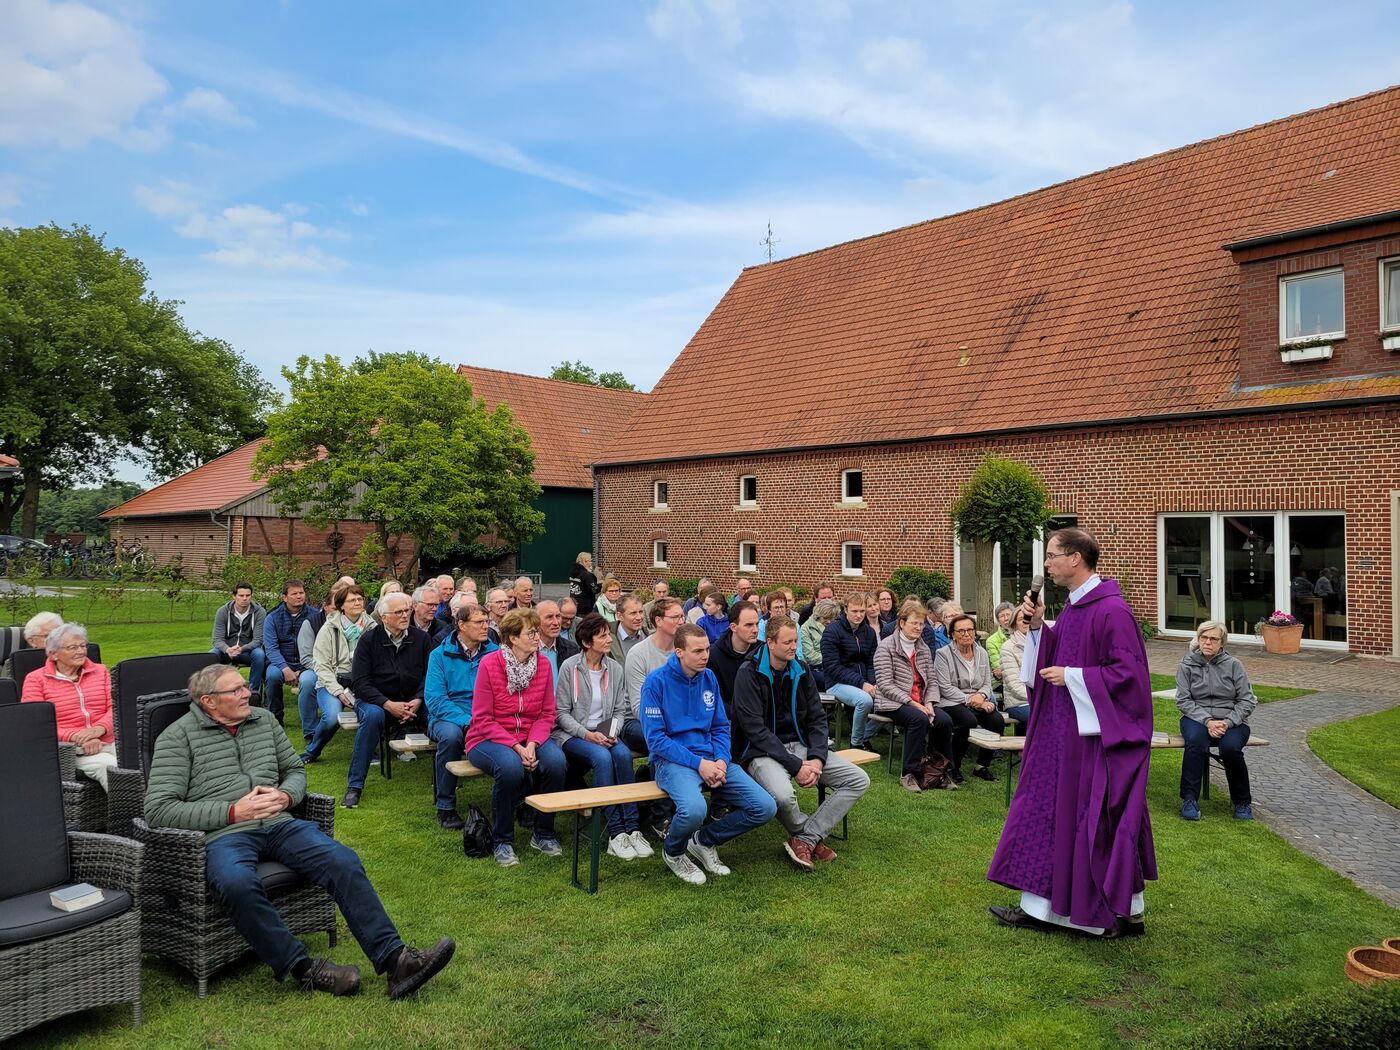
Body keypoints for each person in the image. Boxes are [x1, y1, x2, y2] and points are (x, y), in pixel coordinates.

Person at [144, 663, 455, 998]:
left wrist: (286, 795)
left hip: (279, 824)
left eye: (245, 686)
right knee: (235, 883)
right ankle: (304, 968)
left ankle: (397, 962)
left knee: (343, 860)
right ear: (209, 702)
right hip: (223, 835)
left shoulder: (263, 720)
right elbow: (159, 809)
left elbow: (294, 769)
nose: (248, 692)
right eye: (235, 690)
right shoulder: (177, 738)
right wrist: (232, 812)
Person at [988, 527, 1157, 939]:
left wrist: (1074, 676)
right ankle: (1044, 907)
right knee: (1051, 815)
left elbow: (1130, 679)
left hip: (1090, 744)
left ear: (1076, 558)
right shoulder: (1077, 607)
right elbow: (1055, 657)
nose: (1046, 564)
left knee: (1089, 820)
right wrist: (1041, 625)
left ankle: (1096, 910)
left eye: (1051, 555)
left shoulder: (1111, 611)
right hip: (1061, 735)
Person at [642, 624, 777, 885]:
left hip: (712, 760)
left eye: (706, 649)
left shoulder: (709, 678)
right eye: (698, 651)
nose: (705, 655)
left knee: (765, 807)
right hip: (673, 762)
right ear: (679, 652)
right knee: (694, 810)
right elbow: (656, 740)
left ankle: (703, 841)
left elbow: (720, 726)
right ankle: (674, 851)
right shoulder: (656, 682)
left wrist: (721, 762)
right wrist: (699, 763)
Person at [732, 616, 869, 869]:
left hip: (802, 745)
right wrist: (796, 766)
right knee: (783, 797)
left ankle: (806, 838)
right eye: (787, 642)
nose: (794, 647)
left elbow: (817, 718)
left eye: (796, 640)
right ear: (770, 643)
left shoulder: (801, 669)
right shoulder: (748, 673)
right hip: (761, 751)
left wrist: (817, 757)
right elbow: (755, 730)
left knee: (859, 779)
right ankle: (810, 837)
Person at [464, 609, 567, 867]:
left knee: (556, 763)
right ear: (512, 638)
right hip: (487, 738)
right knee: (510, 768)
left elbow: (547, 713)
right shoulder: (490, 664)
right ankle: (503, 841)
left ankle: (543, 833)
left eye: (536, 632)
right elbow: (482, 718)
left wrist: (531, 744)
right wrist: (516, 748)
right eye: (530, 633)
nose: (536, 637)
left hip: (531, 737)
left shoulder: (543, 664)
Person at [553, 613, 652, 860]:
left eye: (609, 634)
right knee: (602, 758)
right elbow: (561, 713)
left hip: (605, 732)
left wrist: (611, 732)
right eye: (603, 635)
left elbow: (620, 709)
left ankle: (633, 827)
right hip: (573, 734)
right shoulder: (570, 667)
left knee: (621, 754)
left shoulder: (615, 668)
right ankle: (615, 832)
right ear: (587, 642)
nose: (609, 639)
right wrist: (587, 734)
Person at [342, 592, 431, 809]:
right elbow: (361, 683)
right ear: (384, 617)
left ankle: (451, 778)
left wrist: (418, 699)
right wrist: (388, 704)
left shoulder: (421, 639)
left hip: (414, 702)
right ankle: (355, 786)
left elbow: (431, 676)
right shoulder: (368, 640)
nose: (404, 615)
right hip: (376, 701)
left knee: (442, 716)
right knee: (372, 717)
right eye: (398, 612)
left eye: (407, 610)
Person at [1175, 621, 1258, 821]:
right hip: (1197, 718)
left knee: (1230, 749)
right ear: (1198, 639)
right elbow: (1183, 701)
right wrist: (1208, 721)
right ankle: (1189, 800)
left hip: (1232, 720)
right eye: (1204, 638)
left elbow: (1247, 700)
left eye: (1213, 639)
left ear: (1222, 643)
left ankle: (1242, 802)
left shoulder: (1234, 665)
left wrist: (1227, 722)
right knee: (1195, 742)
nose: (1208, 642)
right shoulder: (1186, 665)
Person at [425, 605, 496, 830]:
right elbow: (435, 699)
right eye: (479, 622)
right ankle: (445, 805)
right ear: (461, 625)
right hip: (447, 716)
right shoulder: (439, 655)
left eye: (486, 621)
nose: (486, 626)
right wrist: (468, 721)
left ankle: (521, 801)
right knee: (451, 736)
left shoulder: (495, 653)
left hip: (486, 715)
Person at [21, 622, 116, 789]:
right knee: (113, 769)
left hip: (110, 740)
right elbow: (36, 724)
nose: (81, 651)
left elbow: (116, 708)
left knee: (152, 760)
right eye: (73, 647)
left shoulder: (100, 671)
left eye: (82, 646)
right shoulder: (36, 679)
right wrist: (76, 737)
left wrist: (99, 729)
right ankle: (141, 813)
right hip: (70, 750)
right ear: (54, 654)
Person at [873, 602, 956, 793]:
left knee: (944, 720)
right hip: (893, 702)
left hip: (920, 701)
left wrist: (929, 703)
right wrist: (914, 704)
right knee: (918, 719)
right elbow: (885, 685)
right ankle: (909, 773)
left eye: (921, 624)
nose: (918, 628)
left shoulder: (923, 648)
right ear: (902, 623)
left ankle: (941, 771)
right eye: (914, 624)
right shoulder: (886, 647)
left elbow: (932, 681)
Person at [303, 584, 373, 764]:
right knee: (333, 716)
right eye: (352, 600)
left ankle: (369, 751)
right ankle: (313, 750)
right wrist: (339, 692)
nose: (357, 602)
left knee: (374, 712)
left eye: (360, 599)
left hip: (363, 682)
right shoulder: (328, 629)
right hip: (333, 682)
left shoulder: (373, 627)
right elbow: (321, 666)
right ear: (342, 605)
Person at [933, 614, 1004, 783]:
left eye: (970, 629)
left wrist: (981, 696)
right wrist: (971, 698)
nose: (967, 634)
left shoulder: (981, 652)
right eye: (961, 631)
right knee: (968, 721)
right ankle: (953, 766)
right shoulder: (943, 654)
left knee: (997, 721)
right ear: (952, 634)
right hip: (951, 700)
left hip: (978, 699)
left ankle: (981, 766)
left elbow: (987, 682)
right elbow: (944, 687)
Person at [622, 598, 684, 753]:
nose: (681, 621)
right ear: (659, 621)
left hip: (675, 718)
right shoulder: (639, 654)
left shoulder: (684, 652)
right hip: (636, 721)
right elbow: (638, 708)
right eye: (675, 617)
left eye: (682, 616)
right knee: (664, 739)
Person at [262, 579, 323, 729]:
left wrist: (302, 669)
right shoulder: (272, 618)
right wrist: (285, 669)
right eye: (294, 594)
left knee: (309, 682)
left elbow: (320, 645)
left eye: (301, 593)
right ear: (284, 597)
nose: (299, 596)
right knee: (272, 676)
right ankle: (276, 721)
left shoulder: (315, 616)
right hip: (280, 663)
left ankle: (310, 729)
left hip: (307, 664)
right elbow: (271, 648)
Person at [821, 593, 878, 749]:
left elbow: (871, 663)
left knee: (890, 699)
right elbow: (833, 668)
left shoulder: (869, 632)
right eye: (854, 611)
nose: (859, 615)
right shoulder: (832, 631)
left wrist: (873, 683)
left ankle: (864, 735)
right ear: (845, 610)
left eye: (862, 611)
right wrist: (862, 684)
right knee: (865, 701)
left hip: (864, 681)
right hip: (836, 682)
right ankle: (857, 744)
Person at [210, 582, 267, 694]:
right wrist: (227, 649)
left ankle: (253, 692)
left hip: (247, 651)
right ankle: (214, 691)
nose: (245, 598)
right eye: (241, 596)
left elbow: (258, 640)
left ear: (251, 596)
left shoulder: (260, 612)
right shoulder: (222, 612)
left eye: (248, 595)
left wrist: (242, 649)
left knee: (259, 654)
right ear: (234, 596)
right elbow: (217, 639)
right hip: (226, 650)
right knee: (211, 654)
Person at [707, 600, 760, 710]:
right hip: (730, 718)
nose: (755, 630)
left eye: (757, 624)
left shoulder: (762, 651)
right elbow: (716, 700)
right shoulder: (714, 656)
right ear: (733, 627)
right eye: (749, 625)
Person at [3, 610, 62, 679]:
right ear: (31, 641)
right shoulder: (16, 664)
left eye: (60, 635)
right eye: (48, 636)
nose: (57, 640)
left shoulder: (72, 657)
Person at [999, 609, 1033, 727]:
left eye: (1029, 618)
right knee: (1043, 717)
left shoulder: (1042, 643)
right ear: (1014, 624)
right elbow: (1014, 685)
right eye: (1021, 619)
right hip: (1018, 703)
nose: (1025, 622)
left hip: (1041, 700)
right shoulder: (1008, 648)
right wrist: (1038, 697)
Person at [800, 598, 840, 690]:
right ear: (818, 616)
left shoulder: (838, 626)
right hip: (816, 668)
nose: (829, 622)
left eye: (832, 619)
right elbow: (810, 656)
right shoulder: (806, 628)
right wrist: (832, 658)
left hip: (837, 666)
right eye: (825, 618)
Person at [756, 592, 805, 661]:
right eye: (776, 607)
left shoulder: (795, 626)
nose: (780, 611)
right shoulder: (762, 626)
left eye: (782, 607)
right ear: (769, 610)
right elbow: (760, 651)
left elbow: (799, 652)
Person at [536, 599, 580, 674]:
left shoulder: (572, 649)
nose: (556, 623)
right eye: (549, 617)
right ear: (536, 621)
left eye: (558, 616)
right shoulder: (526, 650)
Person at [609, 594, 648, 664]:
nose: (639, 618)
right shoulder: (607, 640)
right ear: (620, 616)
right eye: (633, 613)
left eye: (641, 612)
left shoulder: (649, 636)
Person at [985, 601, 1016, 689]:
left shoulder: (1022, 634)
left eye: (1008, 614)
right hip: (1000, 683)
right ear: (998, 620)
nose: (1006, 618)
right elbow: (998, 672)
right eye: (1002, 616)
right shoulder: (991, 641)